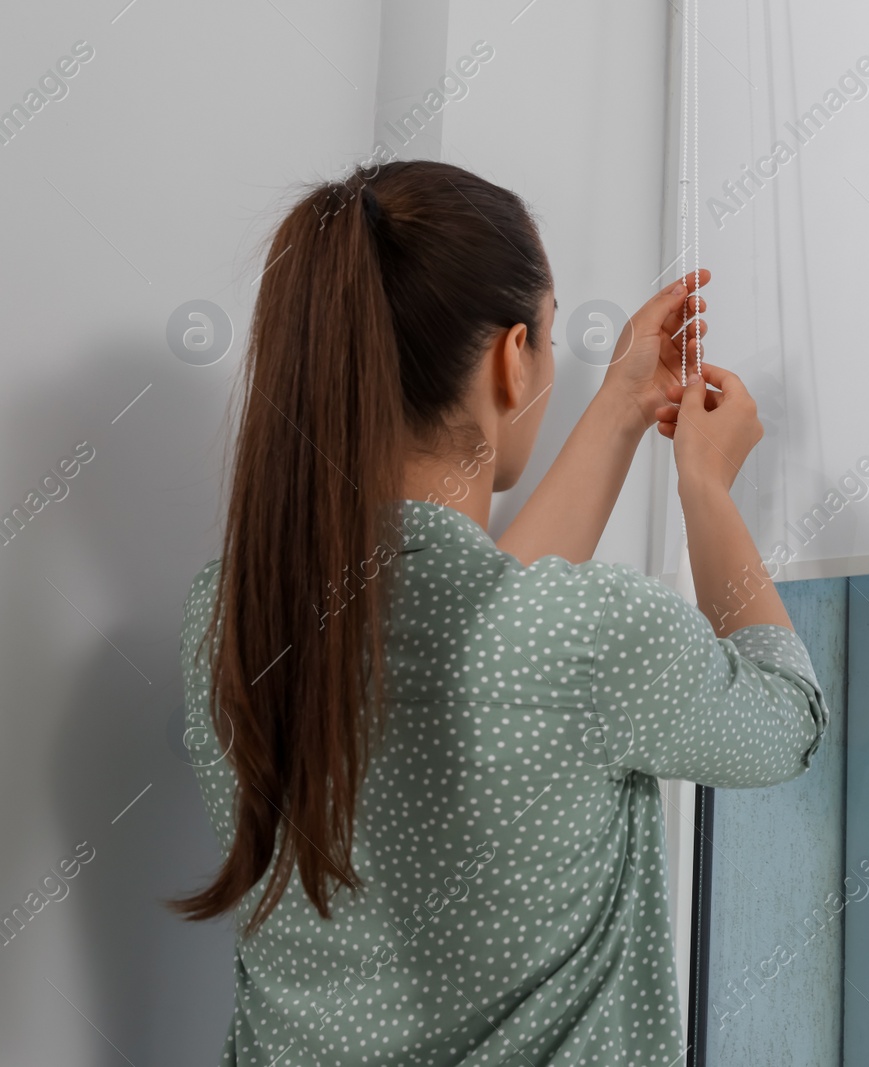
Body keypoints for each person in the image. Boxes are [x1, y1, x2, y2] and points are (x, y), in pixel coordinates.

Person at [169, 159, 828, 1066]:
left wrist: (625, 405)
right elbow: (785, 719)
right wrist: (706, 490)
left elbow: (476, 621)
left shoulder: (230, 620)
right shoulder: (583, 637)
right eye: (549, 338)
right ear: (511, 359)